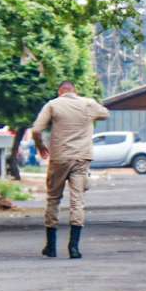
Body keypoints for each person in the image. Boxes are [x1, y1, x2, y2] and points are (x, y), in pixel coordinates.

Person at [31, 81, 109, 259]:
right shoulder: (87, 103)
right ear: (75, 91)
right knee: (77, 202)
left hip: (59, 158)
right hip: (81, 158)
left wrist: (40, 146)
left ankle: (50, 247)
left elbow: (36, 130)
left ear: (60, 92)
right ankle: (74, 248)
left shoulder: (53, 105)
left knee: (53, 199)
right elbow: (105, 114)